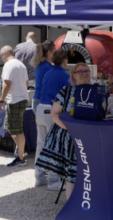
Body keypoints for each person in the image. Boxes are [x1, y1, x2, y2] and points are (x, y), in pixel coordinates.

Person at [36, 62, 98, 199]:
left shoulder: (95, 91)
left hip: (90, 137)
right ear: (73, 75)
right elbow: (54, 114)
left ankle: (87, 201)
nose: (84, 74)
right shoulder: (66, 91)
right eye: (80, 71)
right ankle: (71, 204)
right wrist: (70, 128)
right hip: (68, 137)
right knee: (72, 172)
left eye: (86, 71)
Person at [35, 49, 70, 190]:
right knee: (54, 146)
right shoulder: (65, 76)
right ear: (64, 60)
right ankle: (53, 181)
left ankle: (39, 178)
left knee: (40, 145)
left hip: (40, 109)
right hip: (52, 112)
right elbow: (69, 96)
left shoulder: (48, 72)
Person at [0, 45, 30, 167]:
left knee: (17, 130)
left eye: (1, 56)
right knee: (10, 127)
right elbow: (27, 83)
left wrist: (2, 100)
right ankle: (21, 150)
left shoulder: (8, 65)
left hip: (15, 100)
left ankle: (21, 158)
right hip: (21, 98)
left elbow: (7, 84)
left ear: (4, 55)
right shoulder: (21, 64)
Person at [31, 41, 55, 186]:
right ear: (49, 53)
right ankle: (52, 178)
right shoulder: (48, 67)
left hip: (37, 102)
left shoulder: (40, 65)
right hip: (45, 103)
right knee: (50, 143)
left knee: (41, 143)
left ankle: (39, 176)